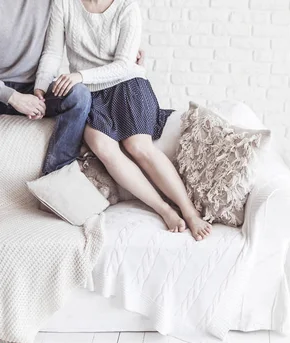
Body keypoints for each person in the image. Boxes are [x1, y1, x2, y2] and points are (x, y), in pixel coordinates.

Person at [35, 0, 212, 240]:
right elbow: (52, 52)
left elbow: (123, 65)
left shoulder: (127, 7)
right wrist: (40, 88)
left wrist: (79, 75)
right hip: (90, 93)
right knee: (103, 149)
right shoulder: (64, 4)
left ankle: (189, 211)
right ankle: (164, 209)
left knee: (138, 147)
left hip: (126, 84)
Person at [0, 0, 93, 243]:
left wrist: (130, 48)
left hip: (36, 87)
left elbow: (92, 15)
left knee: (79, 95)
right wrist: (13, 98)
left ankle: (54, 184)